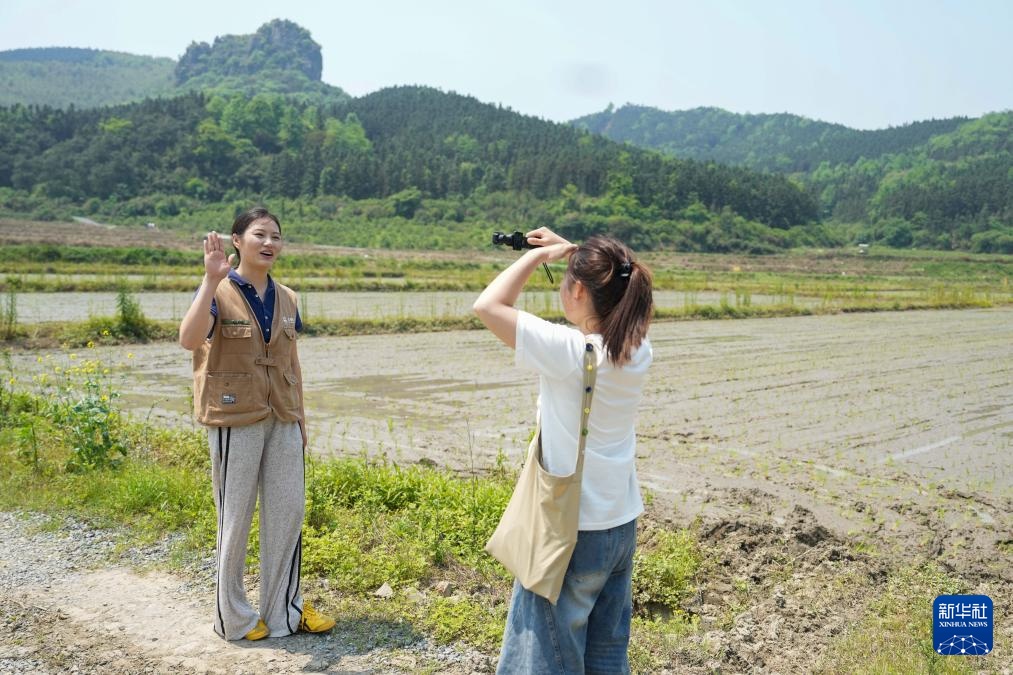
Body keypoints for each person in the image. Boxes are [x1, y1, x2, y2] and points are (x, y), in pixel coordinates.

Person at [473, 227, 654, 674]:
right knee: (606, 653)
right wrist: (577, 253)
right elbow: (618, 283)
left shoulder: (571, 352)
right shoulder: (638, 347)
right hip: (619, 524)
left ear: (576, 290)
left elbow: (488, 305)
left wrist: (546, 255)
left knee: (548, 657)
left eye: (564, 281)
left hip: (570, 531)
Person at [179, 206, 335, 641]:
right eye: (260, 235)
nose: (270, 243)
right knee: (235, 516)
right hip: (235, 415)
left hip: (282, 416)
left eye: (276, 237)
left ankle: (283, 611)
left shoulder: (287, 296)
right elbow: (189, 340)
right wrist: (210, 279)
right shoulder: (219, 289)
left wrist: (301, 415)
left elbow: (292, 359)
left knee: (288, 511)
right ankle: (233, 617)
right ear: (237, 241)